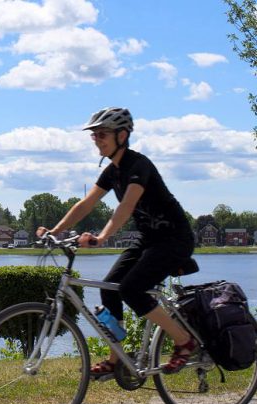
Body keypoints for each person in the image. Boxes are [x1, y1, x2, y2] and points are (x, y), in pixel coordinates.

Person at [37, 107, 196, 376]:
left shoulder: (139, 165)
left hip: (174, 239)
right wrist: (55, 231)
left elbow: (125, 206)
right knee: (110, 287)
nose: (97, 139)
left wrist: (101, 237)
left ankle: (184, 341)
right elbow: (86, 204)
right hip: (148, 240)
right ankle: (117, 358)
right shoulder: (113, 171)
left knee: (132, 290)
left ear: (122, 135)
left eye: (102, 134)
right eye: (94, 136)